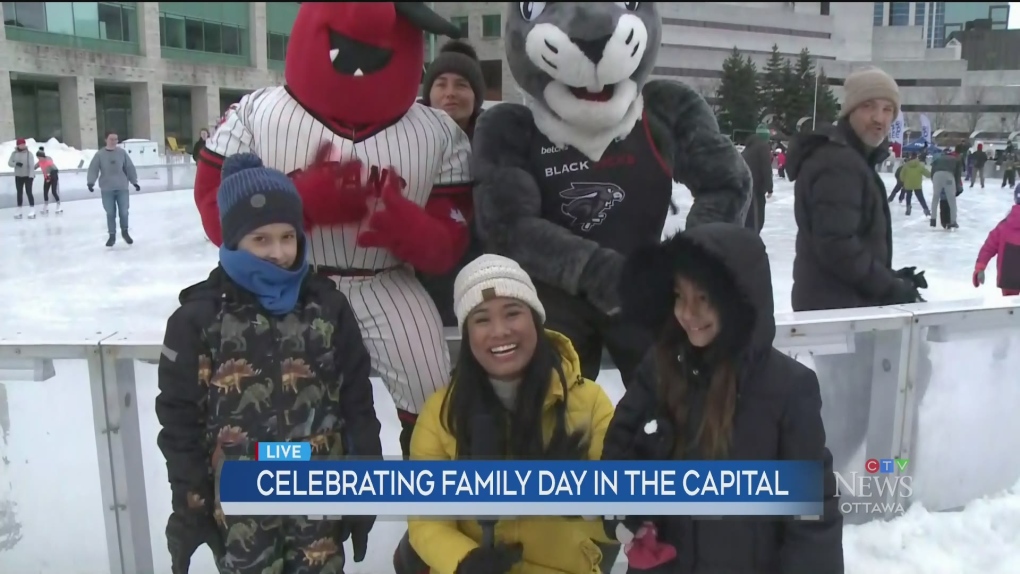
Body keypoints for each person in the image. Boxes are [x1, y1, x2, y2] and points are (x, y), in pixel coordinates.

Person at [193, 3, 470, 459]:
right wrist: (294, 207)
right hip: (282, 284)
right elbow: (213, 213)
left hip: (386, 282)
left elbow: (450, 240)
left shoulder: (437, 132)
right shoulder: (257, 113)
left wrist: (411, 230)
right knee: (279, 407)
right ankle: (301, 517)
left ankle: (433, 515)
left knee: (435, 398)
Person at [473, 2, 751, 388]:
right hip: (554, 303)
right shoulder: (511, 128)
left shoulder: (665, 110)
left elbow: (726, 182)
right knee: (553, 412)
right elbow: (508, 225)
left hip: (644, 292)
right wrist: (595, 270)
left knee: (675, 402)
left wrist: (689, 263)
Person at [155, 152, 381, 574]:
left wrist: (363, 482)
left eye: (287, 237)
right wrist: (190, 503)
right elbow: (179, 419)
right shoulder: (199, 318)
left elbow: (357, 403)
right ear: (234, 240)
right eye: (261, 239)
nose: (278, 252)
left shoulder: (327, 306)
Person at [603, 223, 843, 573]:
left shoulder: (788, 389)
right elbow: (617, 455)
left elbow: (811, 518)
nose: (688, 313)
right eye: (679, 296)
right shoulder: (659, 368)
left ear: (738, 300)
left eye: (703, 298)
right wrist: (628, 512)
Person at [403, 253, 616, 574]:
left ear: (535, 320)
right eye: (482, 319)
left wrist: (585, 502)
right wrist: (463, 561)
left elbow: (617, 522)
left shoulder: (590, 403)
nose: (499, 331)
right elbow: (425, 521)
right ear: (467, 333)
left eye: (512, 313)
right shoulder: (440, 412)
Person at [784, 67, 927, 474]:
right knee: (852, 413)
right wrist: (891, 286)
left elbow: (843, 242)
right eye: (869, 107)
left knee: (857, 409)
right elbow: (837, 246)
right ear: (850, 111)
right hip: (840, 313)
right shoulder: (838, 163)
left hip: (843, 307)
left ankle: (836, 490)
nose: (880, 118)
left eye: (888, 109)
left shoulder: (848, 160)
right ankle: (817, 494)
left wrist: (892, 276)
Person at [417, 38, 487, 328]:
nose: (450, 94)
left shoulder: (495, 141)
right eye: (441, 84)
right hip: (420, 276)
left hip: (480, 271)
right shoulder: (406, 141)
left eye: (461, 85)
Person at [87, 131, 140, 247]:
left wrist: (134, 182)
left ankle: (125, 232)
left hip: (122, 187)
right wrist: (90, 182)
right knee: (110, 212)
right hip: (107, 189)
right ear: (106, 140)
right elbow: (93, 169)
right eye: (111, 139)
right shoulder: (99, 155)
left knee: (124, 211)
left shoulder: (122, 153)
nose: (114, 141)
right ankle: (112, 235)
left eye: (116, 139)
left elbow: (129, 167)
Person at [973, 186, 1020, 297]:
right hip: (1009, 279)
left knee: (1010, 310)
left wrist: (980, 268)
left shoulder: (1003, 226)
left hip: (1008, 279)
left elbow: (988, 248)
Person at [742, 127, 774, 233]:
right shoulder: (762, 147)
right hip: (755, 188)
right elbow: (766, 168)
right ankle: (751, 243)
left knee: (747, 218)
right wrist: (769, 187)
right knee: (756, 220)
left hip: (744, 187)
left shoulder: (748, 148)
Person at [929, 149, 963, 230]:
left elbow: (932, 171)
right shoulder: (955, 159)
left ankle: (933, 219)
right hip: (948, 176)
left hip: (936, 176)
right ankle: (953, 221)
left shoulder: (937, 159)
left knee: (935, 197)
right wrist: (957, 185)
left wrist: (934, 182)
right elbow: (957, 174)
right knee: (951, 199)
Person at [8, 137, 37, 220]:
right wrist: (16, 164)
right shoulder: (14, 153)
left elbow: (32, 166)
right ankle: (19, 209)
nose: (22, 146)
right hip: (18, 176)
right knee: (19, 193)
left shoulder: (29, 154)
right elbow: (9, 162)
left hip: (28, 176)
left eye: (23, 144)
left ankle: (32, 209)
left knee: (29, 192)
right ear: (18, 145)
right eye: (20, 144)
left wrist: (31, 176)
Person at [897, 152, 931, 217]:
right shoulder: (919, 165)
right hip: (917, 184)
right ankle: (926, 209)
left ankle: (908, 208)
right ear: (916, 157)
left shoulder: (906, 165)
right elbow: (927, 173)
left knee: (908, 197)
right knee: (921, 197)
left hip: (908, 184)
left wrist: (903, 180)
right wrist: (931, 175)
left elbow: (901, 175)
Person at [35, 147, 62, 215]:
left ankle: (58, 206)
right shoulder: (40, 162)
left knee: (53, 191)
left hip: (53, 177)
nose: (38, 159)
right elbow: (34, 167)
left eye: (39, 157)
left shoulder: (48, 161)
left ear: (42, 156)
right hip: (46, 177)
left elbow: (55, 170)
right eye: (37, 157)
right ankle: (46, 207)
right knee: (45, 191)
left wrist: (50, 176)